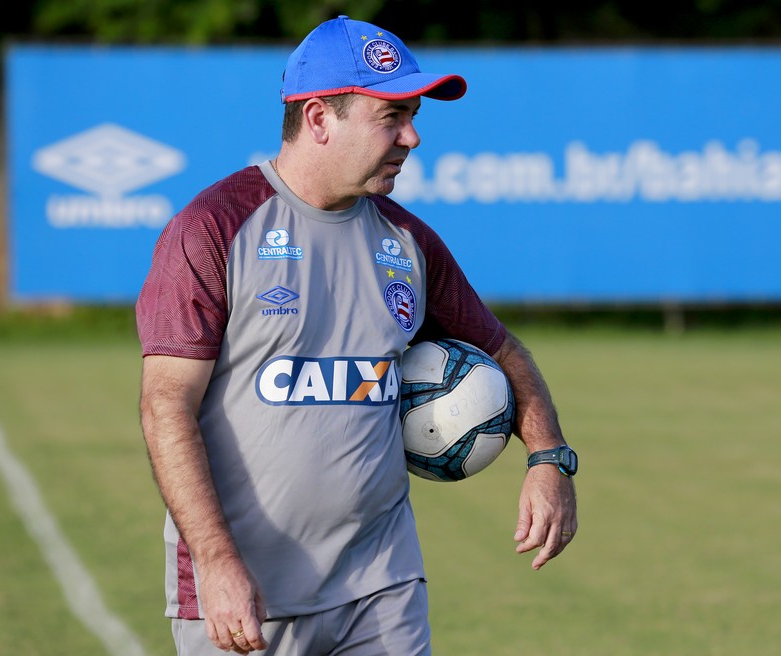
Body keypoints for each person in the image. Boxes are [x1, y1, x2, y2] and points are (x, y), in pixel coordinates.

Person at [136, 15, 577, 656]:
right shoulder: (213, 228)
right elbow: (165, 405)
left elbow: (501, 351)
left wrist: (549, 458)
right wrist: (214, 560)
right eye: (391, 117)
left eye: (414, 115)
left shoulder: (409, 241)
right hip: (246, 594)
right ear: (319, 118)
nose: (413, 137)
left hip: (382, 586)